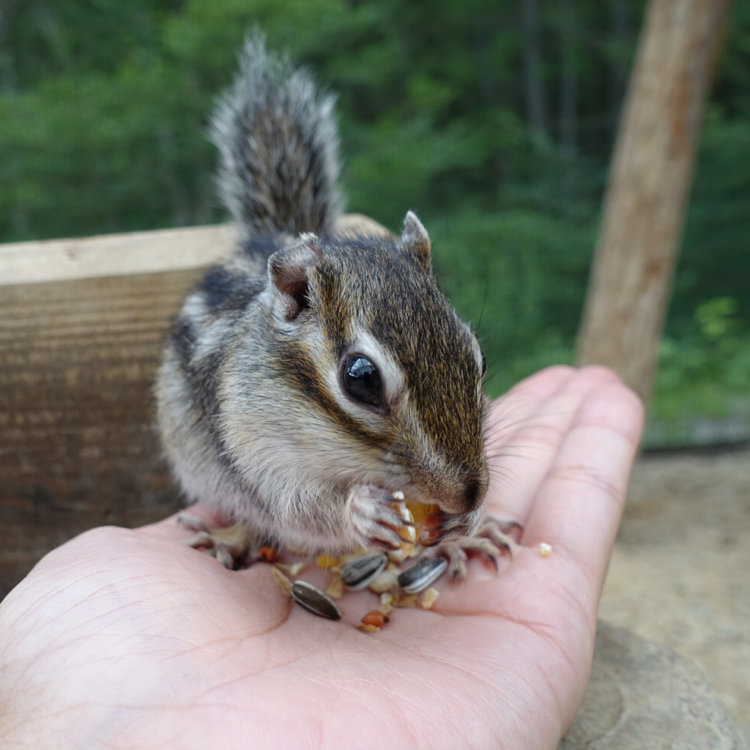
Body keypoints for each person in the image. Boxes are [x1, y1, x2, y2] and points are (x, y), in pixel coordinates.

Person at [0, 365, 643, 749]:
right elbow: (276, 489)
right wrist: (344, 516)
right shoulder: (263, 399)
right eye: (364, 384)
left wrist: (452, 513)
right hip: (239, 477)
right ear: (293, 298)